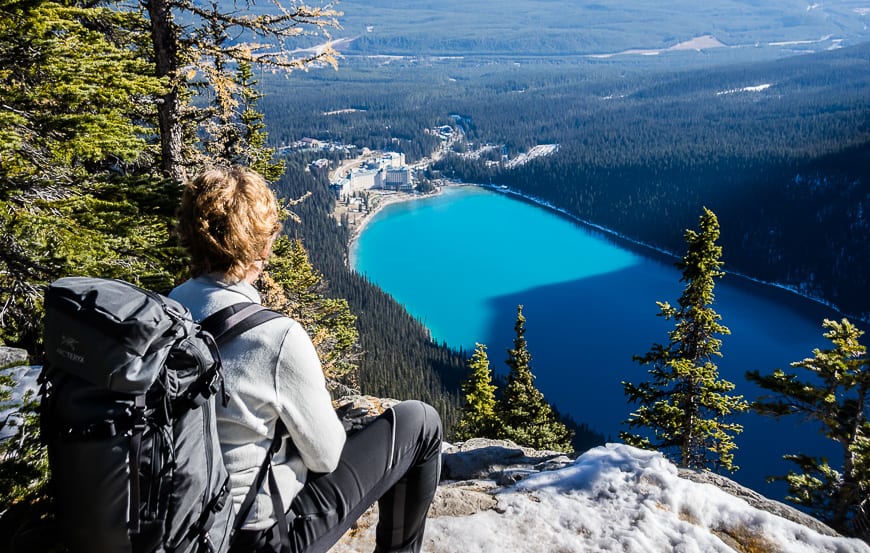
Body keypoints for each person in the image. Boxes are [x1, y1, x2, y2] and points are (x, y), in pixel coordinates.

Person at [170, 167, 443, 553]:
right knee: (421, 422)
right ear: (262, 248)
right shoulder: (275, 338)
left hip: (177, 529)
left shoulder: (163, 315)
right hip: (254, 539)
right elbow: (327, 456)